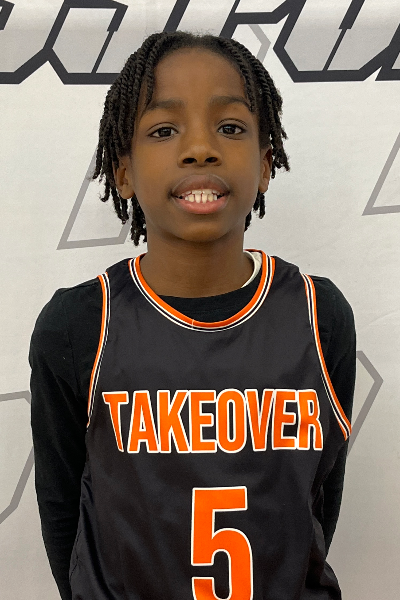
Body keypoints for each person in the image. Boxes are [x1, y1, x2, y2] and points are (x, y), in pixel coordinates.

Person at [30, 30, 356, 600]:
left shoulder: (319, 314)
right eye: (164, 130)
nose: (200, 148)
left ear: (266, 164)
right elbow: (64, 514)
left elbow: (316, 503)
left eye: (230, 127)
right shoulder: (79, 324)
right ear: (123, 171)